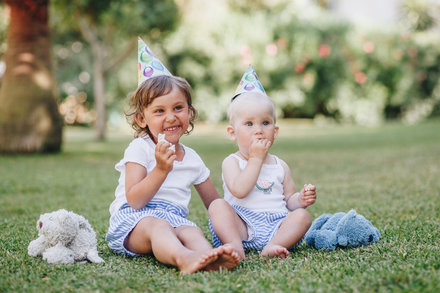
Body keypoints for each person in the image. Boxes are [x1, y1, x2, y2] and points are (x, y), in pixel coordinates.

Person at [106, 38, 239, 274]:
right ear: (142, 119)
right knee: (158, 227)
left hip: (175, 219)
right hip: (136, 222)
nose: (171, 117)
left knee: (192, 232)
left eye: (178, 108)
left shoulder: (192, 159)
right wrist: (160, 170)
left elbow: (214, 203)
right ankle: (183, 258)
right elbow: (135, 200)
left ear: (189, 111)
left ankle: (208, 258)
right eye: (159, 111)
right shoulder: (140, 148)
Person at [208, 65, 317, 259]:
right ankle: (235, 246)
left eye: (265, 123)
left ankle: (273, 245)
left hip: (277, 224)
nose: (258, 130)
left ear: (275, 131)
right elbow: (239, 190)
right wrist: (256, 159)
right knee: (217, 206)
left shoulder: (279, 165)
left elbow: (289, 199)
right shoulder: (231, 162)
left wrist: (300, 200)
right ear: (232, 133)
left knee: (303, 216)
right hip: (242, 223)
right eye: (249, 124)